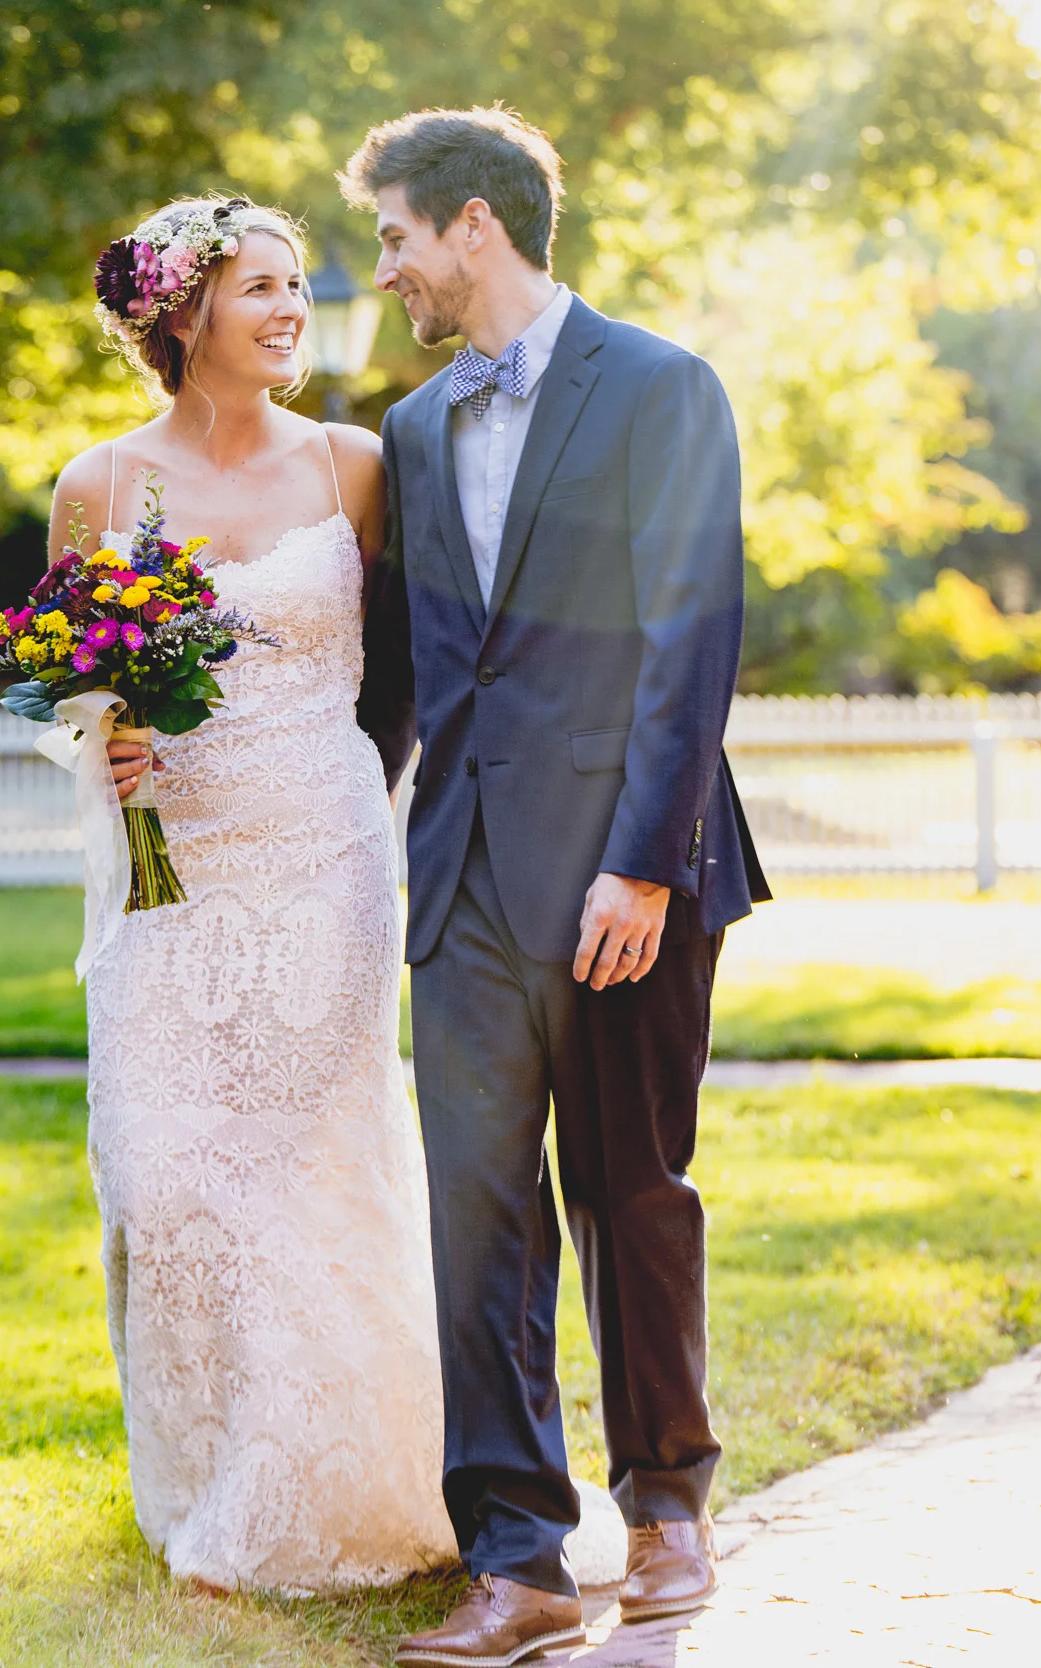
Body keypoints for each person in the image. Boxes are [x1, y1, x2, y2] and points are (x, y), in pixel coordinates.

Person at [342, 109, 771, 1665]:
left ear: (472, 225)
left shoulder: (660, 387)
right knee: (477, 1220)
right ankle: (516, 1560)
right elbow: (402, 685)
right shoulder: (407, 429)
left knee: (628, 1198)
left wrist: (642, 864)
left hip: (620, 875)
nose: (382, 269)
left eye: (393, 236)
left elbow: (689, 638)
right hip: (459, 884)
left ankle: (666, 1507)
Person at [48, 195, 453, 1593]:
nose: (289, 308)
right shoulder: (99, 483)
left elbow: (399, 670)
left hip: (320, 854)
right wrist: (103, 735)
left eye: (296, 286)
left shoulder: (353, 465)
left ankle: (326, 1491)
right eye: (260, 288)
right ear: (182, 314)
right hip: (171, 873)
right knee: (164, 1176)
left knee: (311, 1169)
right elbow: (64, 681)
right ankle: (209, 1471)